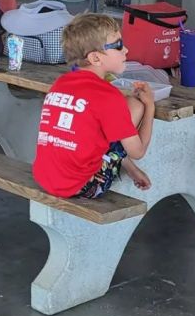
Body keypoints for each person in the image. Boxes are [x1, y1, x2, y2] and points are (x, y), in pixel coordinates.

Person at [33, 13, 154, 198]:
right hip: (83, 186)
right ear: (95, 58)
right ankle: (125, 163)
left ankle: (125, 163)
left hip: (44, 177)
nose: (126, 50)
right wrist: (150, 105)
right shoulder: (108, 96)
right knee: (136, 107)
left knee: (125, 108)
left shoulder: (60, 83)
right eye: (118, 45)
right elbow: (138, 151)